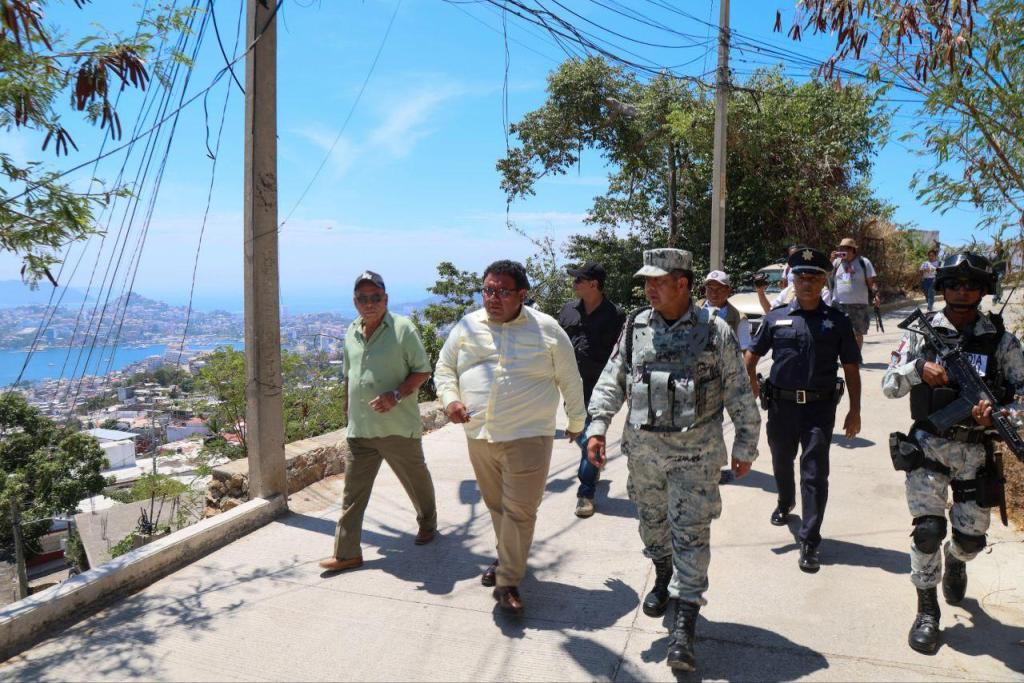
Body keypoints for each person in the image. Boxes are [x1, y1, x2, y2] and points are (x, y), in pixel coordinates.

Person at [586, 248, 760, 672]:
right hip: (644, 457)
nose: (649, 288)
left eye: (658, 281)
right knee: (653, 526)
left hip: (695, 458)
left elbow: (739, 391)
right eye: (646, 281)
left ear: (682, 284)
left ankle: (684, 626)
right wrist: (597, 426)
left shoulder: (714, 331)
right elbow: (613, 378)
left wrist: (745, 446)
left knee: (691, 537)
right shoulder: (635, 326)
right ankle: (663, 573)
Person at [882, 252, 1024, 655]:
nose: (962, 291)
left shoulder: (1001, 341)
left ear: (983, 290)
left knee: (971, 541)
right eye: (954, 284)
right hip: (928, 446)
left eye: (971, 285)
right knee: (927, 531)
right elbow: (889, 385)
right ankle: (927, 610)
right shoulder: (921, 334)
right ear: (942, 288)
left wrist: (1001, 416)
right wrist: (917, 369)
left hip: (975, 452)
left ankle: (956, 559)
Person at [435, 260, 586, 615]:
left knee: (519, 511)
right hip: (479, 434)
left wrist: (577, 421)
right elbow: (444, 368)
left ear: (522, 295)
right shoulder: (467, 326)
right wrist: (450, 399)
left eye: (503, 291)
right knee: (497, 506)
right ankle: (507, 559)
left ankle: (507, 582)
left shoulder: (547, 329)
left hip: (527, 434)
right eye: (488, 290)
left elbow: (570, 377)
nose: (493, 298)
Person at [745, 247, 862, 573]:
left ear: (824, 281)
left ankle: (810, 540)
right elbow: (752, 354)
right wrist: (751, 381)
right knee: (781, 460)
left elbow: (851, 367)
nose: (807, 283)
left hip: (819, 410)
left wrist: (855, 410)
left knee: (814, 473)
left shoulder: (837, 321)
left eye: (814, 277)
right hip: (780, 407)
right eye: (801, 277)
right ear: (791, 280)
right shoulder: (776, 317)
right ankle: (785, 501)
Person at [319, 271, 437, 573]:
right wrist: (347, 413)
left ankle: (428, 523)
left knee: (416, 481)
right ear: (355, 302)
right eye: (363, 298)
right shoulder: (351, 331)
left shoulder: (403, 329)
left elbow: (422, 371)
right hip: (360, 430)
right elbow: (349, 376)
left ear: (386, 299)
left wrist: (395, 395)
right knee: (352, 495)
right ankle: (347, 553)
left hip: (397, 427)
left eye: (375, 297)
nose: (369, 303)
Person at [557, 261, 626, 519]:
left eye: (579, 279)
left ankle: (586, 493)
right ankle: (594, 455)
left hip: (601, 387)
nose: (574, 283)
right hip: (571, 386)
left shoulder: (615, 315)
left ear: (593, 284)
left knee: (590, 431)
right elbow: (556, 344)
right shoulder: (567, 311)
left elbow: (622, 353)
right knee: (580, 433)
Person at [829, 237, 879, 349]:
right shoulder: (836, 262)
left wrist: (876, 295)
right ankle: (840, 355)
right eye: (841, 249)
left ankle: (856, 356)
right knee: (837, 332)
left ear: (852, 250)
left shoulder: (864, 262)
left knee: (857, 333)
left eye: (845, 249)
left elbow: (872, 282)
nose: (842, 251)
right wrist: (830, 261)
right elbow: (824, 276)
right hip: (838, 304)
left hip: (858, 304)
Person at [699, 270, 752, 351]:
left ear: (728, 290)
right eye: (710, 288)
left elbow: (745, 350)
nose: (714, 293)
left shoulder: (739, 319)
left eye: (719, 289)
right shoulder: (695, 308)